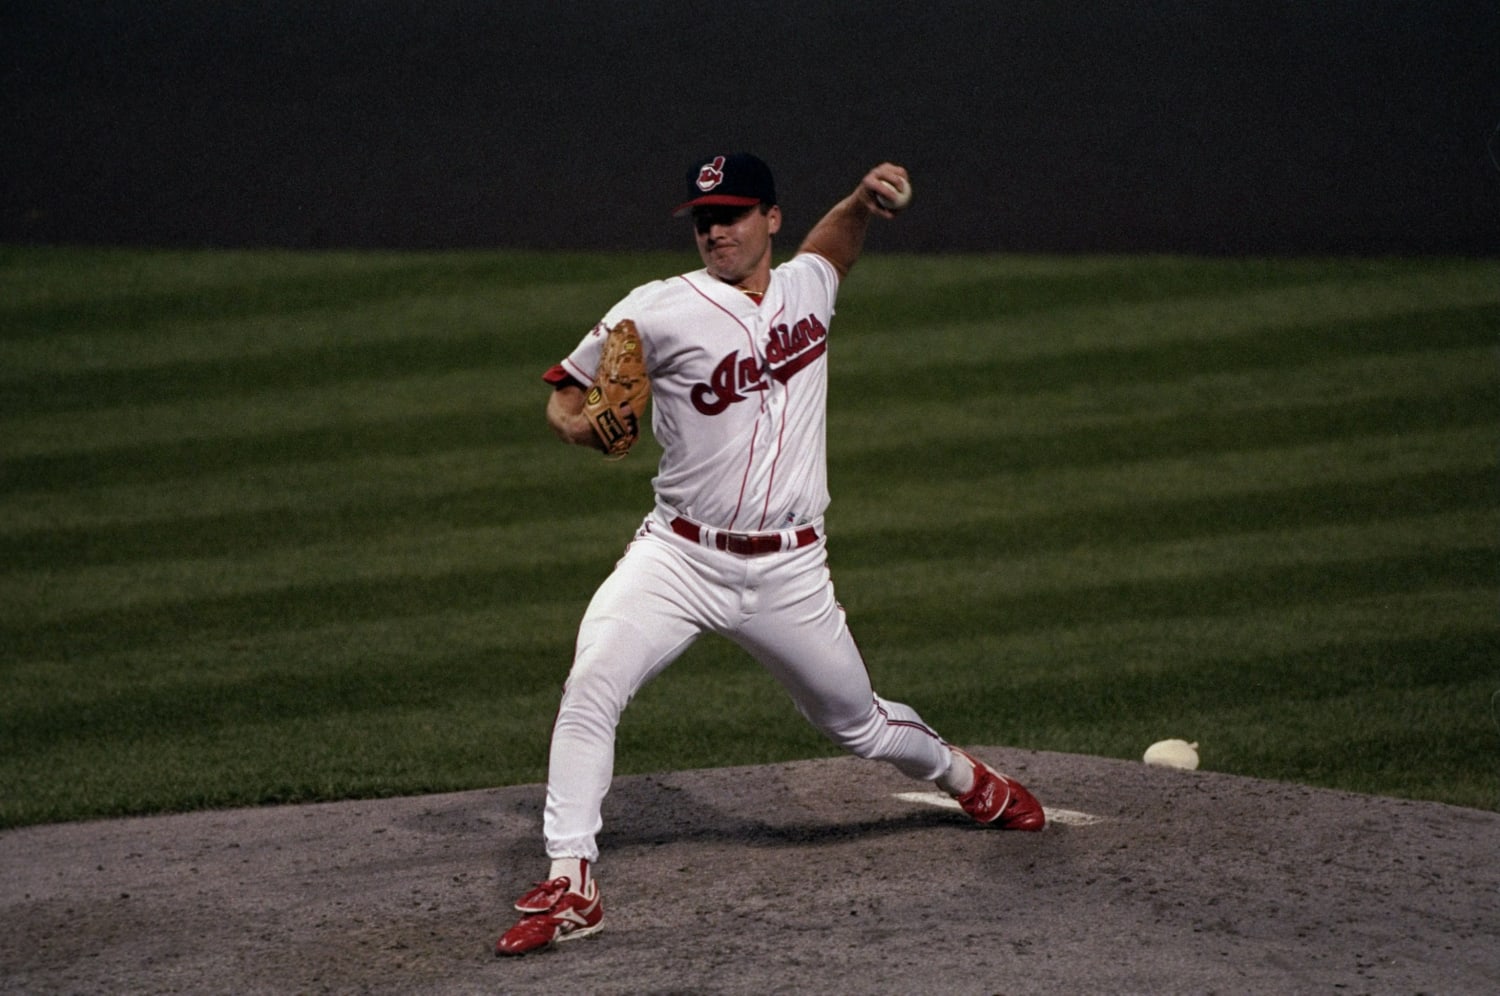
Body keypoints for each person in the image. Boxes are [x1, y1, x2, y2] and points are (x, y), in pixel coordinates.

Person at [496, 154, 1044, 957]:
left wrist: (860, 200)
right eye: (703, 218)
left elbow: (835, 248)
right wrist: (581, 429)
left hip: (789, 570)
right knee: (591, 687)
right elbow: (567, 394)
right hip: (677, 559)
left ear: (772, 220)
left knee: (855, 721)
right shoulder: (653, 310)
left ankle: (964, 778)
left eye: (734, 213)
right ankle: (572, 879)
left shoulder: (806, 288)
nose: (716, 229)